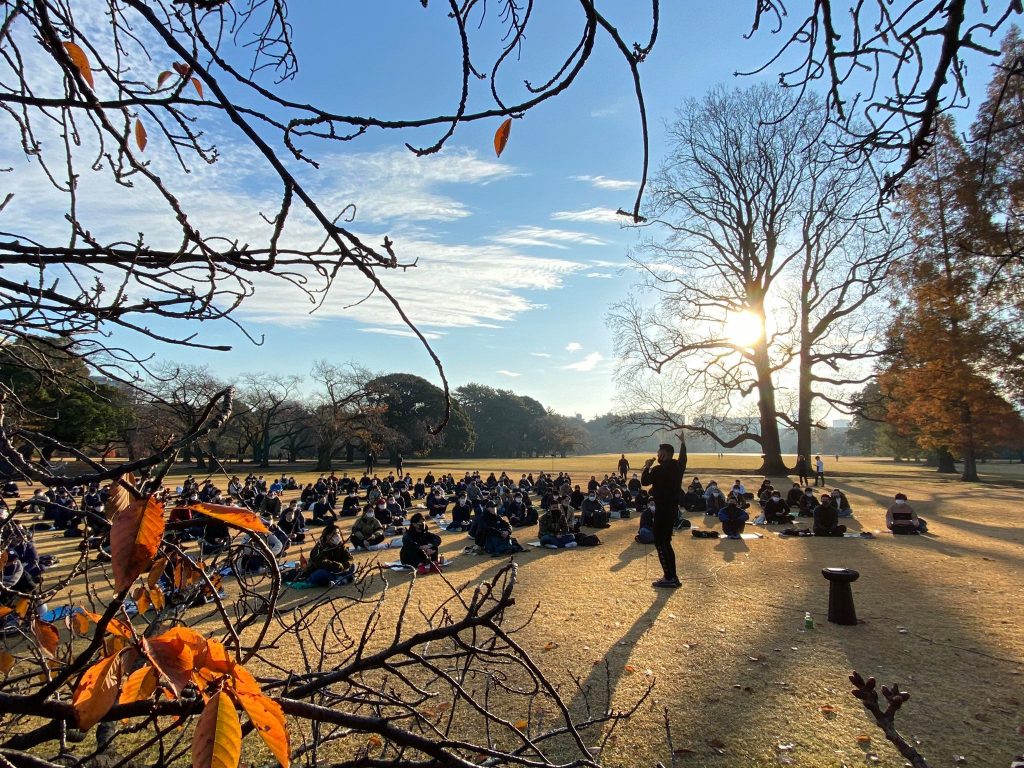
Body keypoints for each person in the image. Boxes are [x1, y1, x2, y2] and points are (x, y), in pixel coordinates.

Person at [640, 442, 685, 589]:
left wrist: (647, 466)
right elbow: (684, 458)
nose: (657, 454)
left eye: (658, 452)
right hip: (672, 510)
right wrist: (683, 444)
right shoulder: (678, 467)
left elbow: (644, 481)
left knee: (661, 543)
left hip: (662, 510)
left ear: (663, 454)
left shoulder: (658, 470)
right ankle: (672, 576)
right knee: (666, 542)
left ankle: (669, 577)